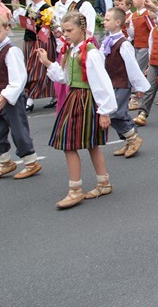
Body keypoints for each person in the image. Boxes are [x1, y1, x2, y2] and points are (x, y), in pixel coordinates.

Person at [37, 11, 117, 209]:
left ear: (82, 29)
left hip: (85, 100)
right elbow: (65, 78)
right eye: (64, 31)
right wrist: (48, 62)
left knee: (69, 143)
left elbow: (101, 83)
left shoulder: (90, 52)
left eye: (70, 30)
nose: (66, 34)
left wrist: (104, 111)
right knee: (90, 143)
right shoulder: (72, 50)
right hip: (74, 98)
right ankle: (103, 182)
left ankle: (75, 190)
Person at [0, 15, 41, 179]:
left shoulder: (12, 51)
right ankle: (5, 161)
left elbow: (19, 77)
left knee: (18, 130)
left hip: (10, 97)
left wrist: (6, 96)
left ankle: (30, 161)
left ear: (7, 29)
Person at [101, 8, 150, 158]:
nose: (104, 21)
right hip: (111, 83)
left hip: (122, 83)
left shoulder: (124, 44)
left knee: (114, 113)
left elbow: (132, 66)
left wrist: (139, 87)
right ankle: (130, 140)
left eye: (107, 19)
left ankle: (133, 138)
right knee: (120, 113)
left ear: (117, 22)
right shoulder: (107, 41)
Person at [11, 0, 56, 111]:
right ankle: (54, 94)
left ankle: (30, 98)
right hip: (29, 41)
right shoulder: (29, 6)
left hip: (42, 42)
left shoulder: (47, 8)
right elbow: (20, 22)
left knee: (35, 69)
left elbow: (52, 26)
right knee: (32, 67)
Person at [127, 0, 152, 111]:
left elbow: (153, 31)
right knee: (143, 70)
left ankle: (134, 98)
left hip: (145, 46)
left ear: (143, 0)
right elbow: (132, 34)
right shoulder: (133, 15)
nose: (133, 0)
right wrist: (128, 27)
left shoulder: (147, 14)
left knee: (137, 69)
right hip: (136, 45)